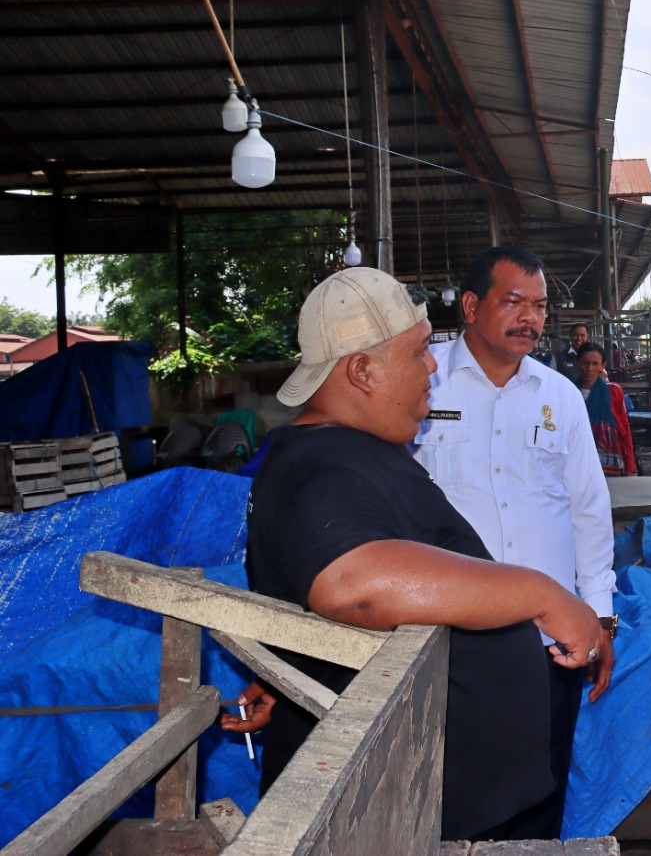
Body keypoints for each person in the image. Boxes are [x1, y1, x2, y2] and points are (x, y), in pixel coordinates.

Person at [222, 267, 601, 842]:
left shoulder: (353, 450)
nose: (432, 367)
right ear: (363, 370)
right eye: (420, 351)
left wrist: (291, 668)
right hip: (408, 810)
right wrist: (543, 595)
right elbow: (352, 582)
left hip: (437, 796)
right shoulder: (324, 463)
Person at [412, 247, 617, 839]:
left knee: (540, 789)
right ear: (472, 306)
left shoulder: (560, 397)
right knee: (450, 792)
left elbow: (588, 510)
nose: (530, 317)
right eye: (514, 302)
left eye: (540, 306)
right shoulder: (425, 384)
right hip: (450, 639)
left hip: (548, 640)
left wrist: (600, 616)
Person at [573, 341, 636, 476]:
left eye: (595, 364)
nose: (590, 368)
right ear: (577, 363)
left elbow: (624, 430)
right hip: (578, 463)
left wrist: (630, 467)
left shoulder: (613, 391)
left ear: (603, 366)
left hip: (610, 463)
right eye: (585, 363)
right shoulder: (569, 392)